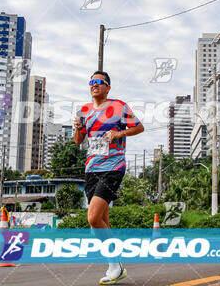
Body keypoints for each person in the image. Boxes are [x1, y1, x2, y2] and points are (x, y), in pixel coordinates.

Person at [74, 70, 144, 285]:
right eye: (92, 82)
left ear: (108, 87)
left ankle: (115, 265)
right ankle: (116, 264)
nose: (95, 85)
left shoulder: (118, 106)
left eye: (100, 82)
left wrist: (118, 133)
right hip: (91, 168)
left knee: (93, 218)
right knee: (103, 220)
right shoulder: (83, 110)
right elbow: (78, 141)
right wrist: (78, 128)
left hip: (113, 167)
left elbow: (139, 127)